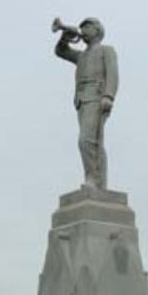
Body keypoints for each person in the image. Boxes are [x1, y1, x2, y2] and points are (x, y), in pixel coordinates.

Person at [55, 17, 119, 189]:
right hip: (82, 100)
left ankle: (93, 179)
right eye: (81, 28)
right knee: (94, 142)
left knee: (86, 140)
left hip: (97, 98)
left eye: (87, 27)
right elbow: (60, 51)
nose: (82, 30)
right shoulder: (81, 56)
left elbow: (113, 75)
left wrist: (109, 96)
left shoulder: (106, 50)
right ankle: (98, 181)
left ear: (97, 30)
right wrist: (65, 36)